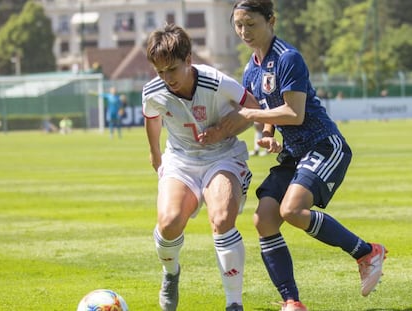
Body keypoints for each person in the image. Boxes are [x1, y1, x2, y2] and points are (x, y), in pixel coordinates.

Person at [229, 1, 387, 311]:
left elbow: (294, 112)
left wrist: (250, 115)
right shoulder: (251, 69)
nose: (244, 31)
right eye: (238, 25)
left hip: (324, 145)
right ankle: (292, 302)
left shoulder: (289, 58)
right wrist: (267, 136)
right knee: (264, 219)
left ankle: (367, 252)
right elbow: (269, 117)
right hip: (294, 154)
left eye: (251, 23)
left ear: (271, 21)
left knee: (292, 210)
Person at [142, 24, 260, 311]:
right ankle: (171, 274)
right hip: (181, 160)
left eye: (172, 69)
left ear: (188, 60)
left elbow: (253, 107)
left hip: (222, 156)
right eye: (160, 72)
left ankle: (234, 303)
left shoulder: (216, 81)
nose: (166, 78)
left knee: (221, 219)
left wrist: (223, 130)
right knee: (169, 223)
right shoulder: (153, 90)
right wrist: (155, 153)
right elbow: (152, 117)